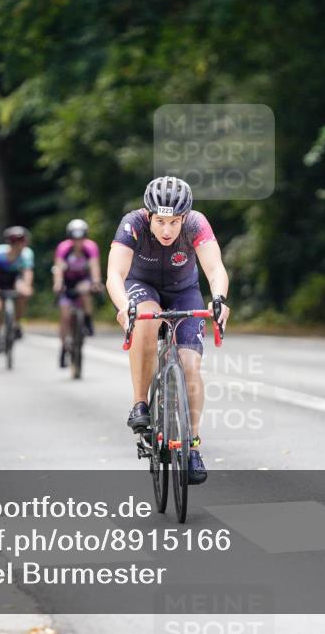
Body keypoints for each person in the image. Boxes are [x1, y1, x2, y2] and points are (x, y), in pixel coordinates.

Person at [105, 176, 230, 485]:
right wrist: (125, 307)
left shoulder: (196, 225)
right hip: (141, 287)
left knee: (190, 365)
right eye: (160, 221)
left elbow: (214, 269)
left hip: (184, 290)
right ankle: (140, 403)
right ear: (149, 215)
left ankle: (193, 446)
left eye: (174, 222)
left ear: (184, 218)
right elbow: (115, 275)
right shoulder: (132, 223)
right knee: (147, 317)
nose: (166, 230)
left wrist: (219, 300)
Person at [53, 218, 102, 367]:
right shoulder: (63, 248)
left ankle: (87, 320)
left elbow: (94, 266)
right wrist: (58, 283)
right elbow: (59, 267)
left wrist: (96, 282)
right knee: (65, 316)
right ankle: (63, 347)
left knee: (85, 290)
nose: (78, 242)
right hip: (67, 283)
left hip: (83, 280)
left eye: (81, 238)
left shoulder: (91, 247)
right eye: (74, 239)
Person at [0, 226, 35, 353]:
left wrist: (28, 286)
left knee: (22, 293)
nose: (20, 244)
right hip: (0, 280)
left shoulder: (26, 254)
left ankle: (16, 323)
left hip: (15, 280)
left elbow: (27, 272)